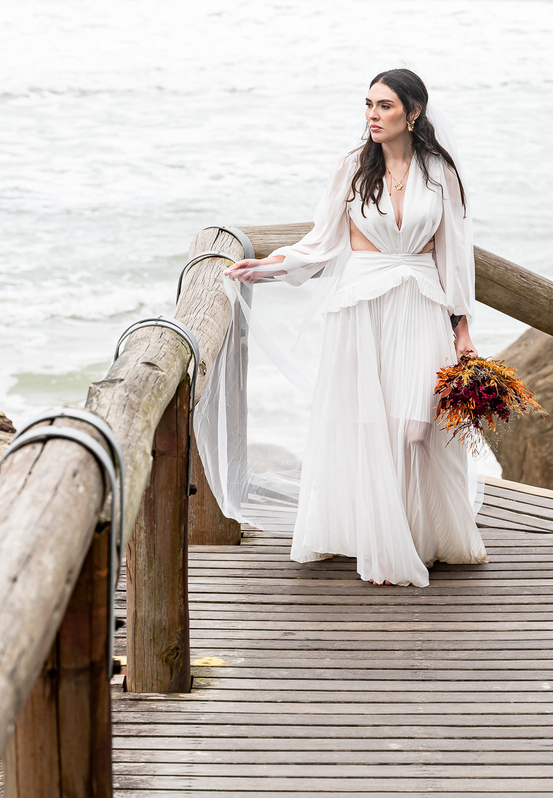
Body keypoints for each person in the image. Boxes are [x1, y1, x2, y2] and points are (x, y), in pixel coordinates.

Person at [219, 68, 488, 587]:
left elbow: (454, 258)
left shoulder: (441, 174)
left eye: (384, 106)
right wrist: (267, 268)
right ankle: (374, 538)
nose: (372, 115)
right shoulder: (350, 169)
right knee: (367, 422)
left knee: (416, 428)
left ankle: (419, 536)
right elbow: (321, 243)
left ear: (412, 113)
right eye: (368, 105)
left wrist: (462, 329)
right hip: (359, 310)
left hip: (419, 304)